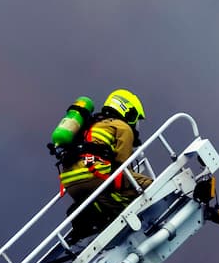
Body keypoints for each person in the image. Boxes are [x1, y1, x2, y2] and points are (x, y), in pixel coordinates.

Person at [48, 89, 148, 243]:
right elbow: (122, 166)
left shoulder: (91, 124)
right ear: (128, 110)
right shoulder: (123, 127)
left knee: (107, 195)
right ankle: (102, 210)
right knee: (146, 186)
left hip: (70, 182)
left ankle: (90, 214)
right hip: (93, 173)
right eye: (135, 117)